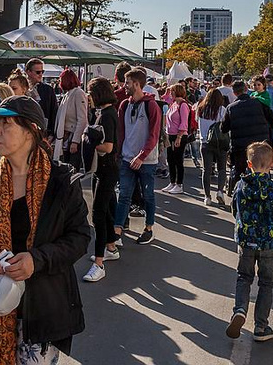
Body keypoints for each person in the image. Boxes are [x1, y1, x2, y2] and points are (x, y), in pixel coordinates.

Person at [0, 95, 90, 364]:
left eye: (7, 124)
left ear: (31, 131)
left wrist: (37, 260)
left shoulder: (62, 181)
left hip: (42, 313)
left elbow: (79, 237)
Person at [226, 142, 273, 342]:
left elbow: (234, 209)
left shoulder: (241, 185)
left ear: (248, 163)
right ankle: (261, 326)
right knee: (266, 283)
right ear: (272, 164)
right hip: (267, 243)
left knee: (243, 277)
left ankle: (240, 310)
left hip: (246, 240)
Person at [115, 67, 162, 245]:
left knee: (148, 195)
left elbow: (154, 135)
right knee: (124, 195)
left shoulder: (151, 106)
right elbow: (121, 132)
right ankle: (117, 230)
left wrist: (142, 156)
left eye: (127, 83)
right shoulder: (124, 105)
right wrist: (119, 154)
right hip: (127, 158)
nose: (124, 86)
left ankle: (149, 228)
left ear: (136, 84)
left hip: (147, 161)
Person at [82, 77, 120, 283]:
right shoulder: (107, 113)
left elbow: (108, 147)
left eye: (90, 93)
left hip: (105, 168)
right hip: (105, 169)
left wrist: (88, 142)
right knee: (103, 211)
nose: (88, 97)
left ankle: (99, 263)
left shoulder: (106, 115)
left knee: (97, 214)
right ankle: (110, 247)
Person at [222, 80, 273, 191]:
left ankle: (240, 196)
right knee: (262, 170)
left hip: (240, 147)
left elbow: (224, 128)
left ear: (234, 92)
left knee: (240, 173)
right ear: (246, 89)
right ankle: (264, 193)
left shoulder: (231, 108)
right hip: (260, 145)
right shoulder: (259, 103)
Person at [198, 88, 228, 206]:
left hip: (205, 142)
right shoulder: (222, 110)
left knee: (206, 169)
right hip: (219, 142)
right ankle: (220, 191)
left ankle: (207, 196)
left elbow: (200, 126)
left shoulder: (201, 109)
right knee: (222, 168)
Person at [53, 69, 88, 169]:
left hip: (72, 138)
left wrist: (75, 141)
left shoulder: (78, 93)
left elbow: (82, 119)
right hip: (65, 139)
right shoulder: (67, 95)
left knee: (72, 170)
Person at [162, 83, 191, 195]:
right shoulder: (174, 103)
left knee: (178, 160)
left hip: (179, 135)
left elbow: (184, 123)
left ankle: (179, 184)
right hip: (170, 134)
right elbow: (164, 99)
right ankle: (172, 182)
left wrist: (179, 137)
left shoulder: (183, 105)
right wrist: (167, 92)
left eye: (173, 91)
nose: (171, 93)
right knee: (170, 159)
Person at [25, 58, 58, 137]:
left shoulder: (48, 89)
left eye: (42, 72)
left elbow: (54, 112)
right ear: (28, 72)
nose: (41, 74)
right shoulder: (22, 88)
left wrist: (52, 133)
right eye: (38, 72)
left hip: (43, 131)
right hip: (25, 129)